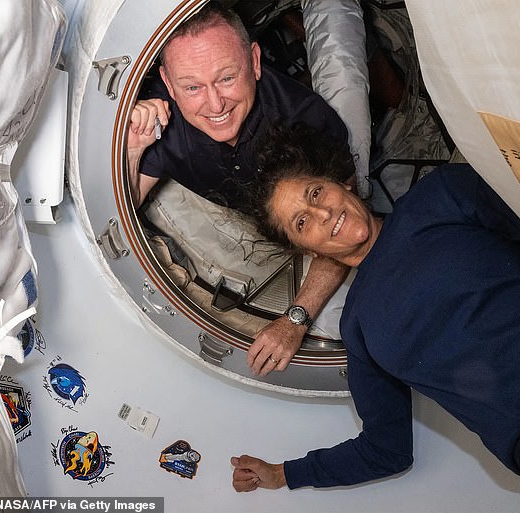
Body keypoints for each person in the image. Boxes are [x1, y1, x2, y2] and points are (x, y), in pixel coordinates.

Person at [230, 126, 520, 512]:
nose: (324, 213)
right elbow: (385, 450)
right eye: (302, 222)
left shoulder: (441, 195)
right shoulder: (358, 329)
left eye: (316, 193)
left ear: (342, 182)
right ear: (306, 250)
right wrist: (284, 474)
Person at [127, 2, 354, 375]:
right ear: (168, 84)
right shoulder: (160, 118)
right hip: (247, 210)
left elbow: (346, 227)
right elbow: (124, 204)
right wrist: (134, 148)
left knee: (343, 74)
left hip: (313, 196)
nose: (215, 104)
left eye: (227, 78)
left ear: (255, 61)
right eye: (192, 87)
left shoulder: (306, 120)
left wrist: (295, 320)